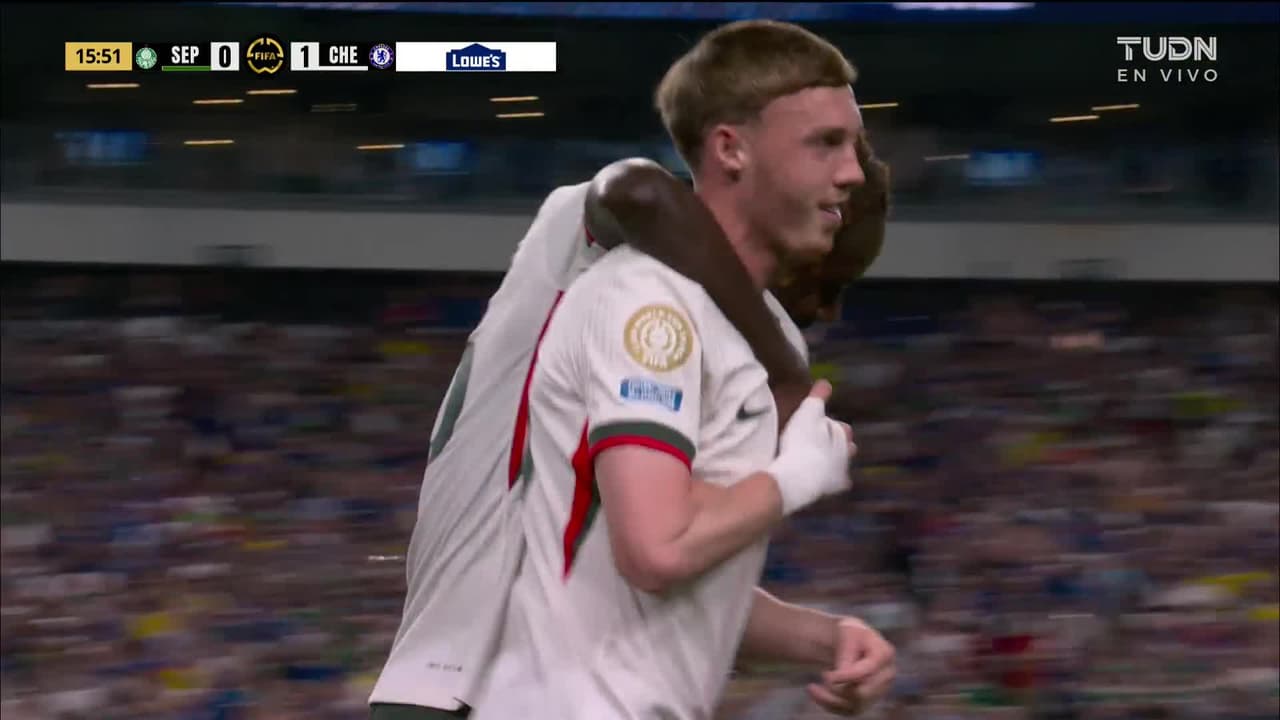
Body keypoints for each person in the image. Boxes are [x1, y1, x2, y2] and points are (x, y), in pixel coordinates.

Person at [370, 99, 885, 720]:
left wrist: (828, 640)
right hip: (469, 685)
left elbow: (664, 586)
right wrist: (786, 376)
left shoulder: (696, 342)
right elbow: (637, 189)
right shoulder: (594, 262)